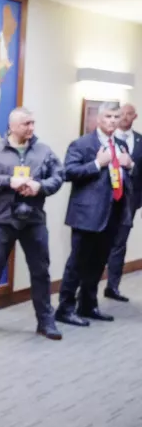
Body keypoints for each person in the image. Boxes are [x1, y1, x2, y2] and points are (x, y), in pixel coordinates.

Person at [0, 108, 64, 339]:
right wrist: (10, 181)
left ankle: (46, 321)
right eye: (26, 123)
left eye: (32, 123)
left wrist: (41, 186)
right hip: (1, 220)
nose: (31, 127)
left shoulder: (43, 151)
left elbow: (59, 176)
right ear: (13, 126)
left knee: (40, 271)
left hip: (33, 220)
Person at [56, 102, 134, 327]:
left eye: (116, 117)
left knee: (98, 263)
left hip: (113, 213)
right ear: (98, 119)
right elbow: (68, 173)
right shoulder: (82, 144)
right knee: (78, 263)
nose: (112, 120)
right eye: (108, 116)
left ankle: (88, 305)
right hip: (87, 215)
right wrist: (97, 164)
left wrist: (130, 166)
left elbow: (124, 174)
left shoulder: (119, 145)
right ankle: (65, 308)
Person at [104, 103, 142, 302]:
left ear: (134, 117)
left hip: (129, 202)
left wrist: (132, 166)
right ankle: (86, 289)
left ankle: (113, 286)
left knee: (120, 243)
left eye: (129, 114)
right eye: (121, 114)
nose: (124, 117)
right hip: (106, 200)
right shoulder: (107, 139)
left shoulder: (140, 141)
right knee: (99, 243)